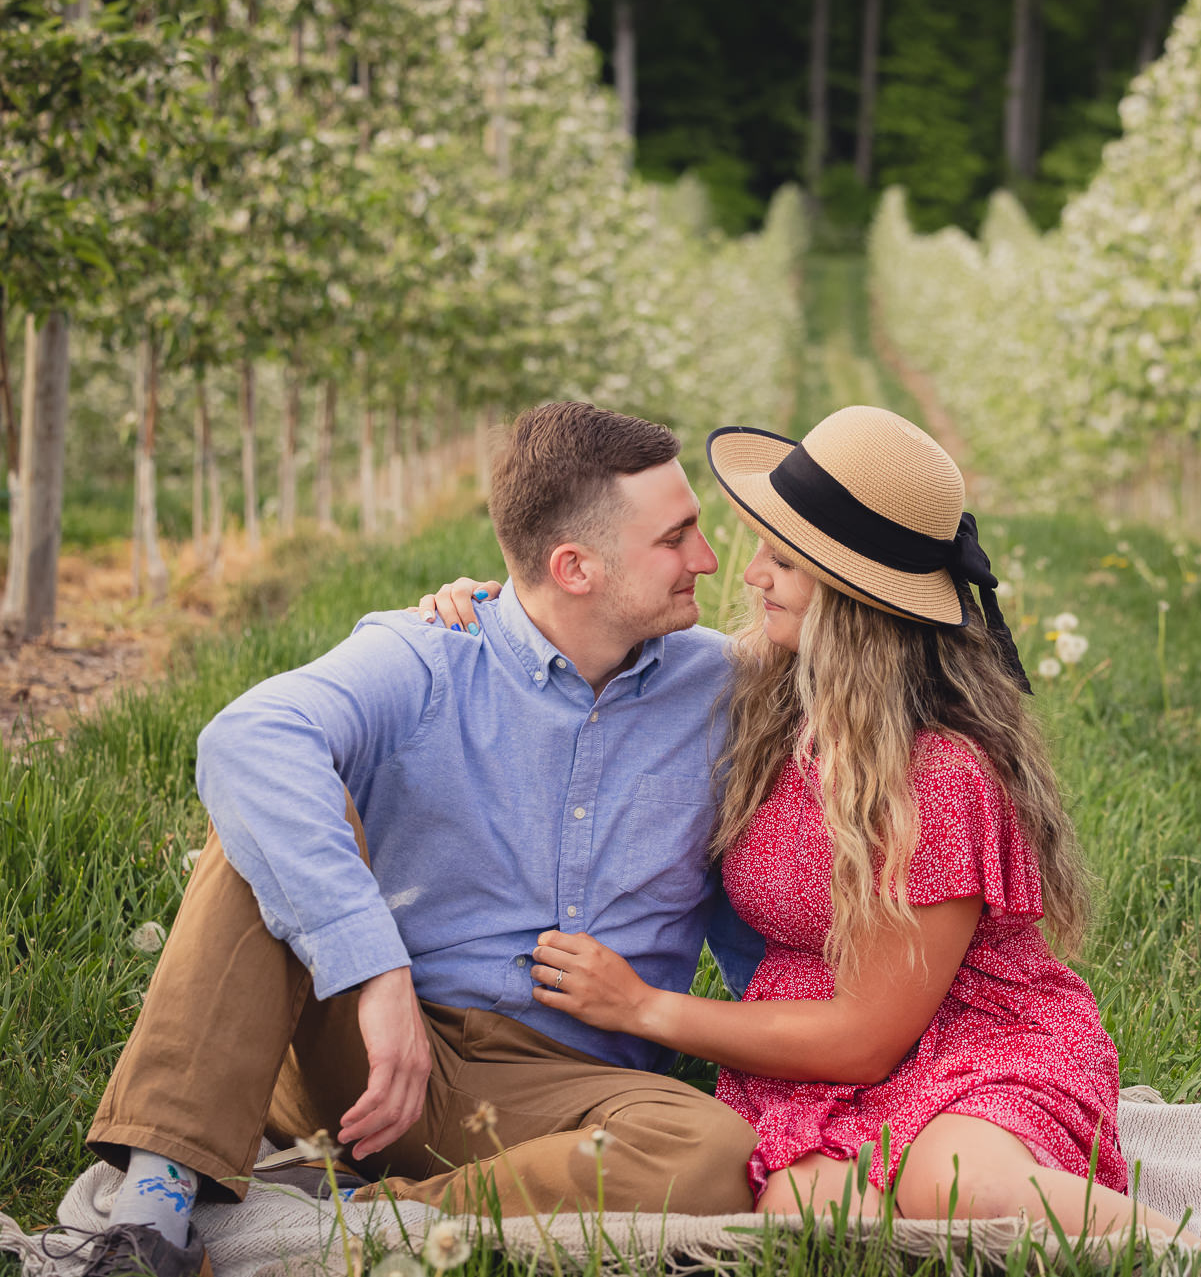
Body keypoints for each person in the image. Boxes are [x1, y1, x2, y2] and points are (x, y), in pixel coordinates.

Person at [424, 405, 1192, 1244]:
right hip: (801, 1052)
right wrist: (501, 606)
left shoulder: (936, 775)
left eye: (781, 560)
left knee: (953, 1182)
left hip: (968, 1038)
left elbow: (866, 1038)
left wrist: (643, 1007)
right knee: (817, 1223)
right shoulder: (764, 692)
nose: (749, 574)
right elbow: (594, 637)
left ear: (851, 601)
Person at [69, 402, 766, 1277]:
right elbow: (246, 739)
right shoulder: (432, 650)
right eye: (678, 537)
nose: (707, 558)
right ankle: (150, 1217)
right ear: (574, 566)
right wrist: (375, 967)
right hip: (368, 1054)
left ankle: (360, 1224)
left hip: (568, 1094)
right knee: (275, 805)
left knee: (713, 1152)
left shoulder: (726, 689)